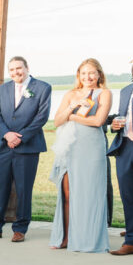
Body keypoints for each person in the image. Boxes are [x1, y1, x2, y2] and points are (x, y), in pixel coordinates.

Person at [0, 56, 52, 243]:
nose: (15, 72)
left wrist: (21, 136)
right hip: (4, 146)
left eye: (19, 68)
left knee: (23, 190)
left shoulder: (42, 88)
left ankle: (20, 228)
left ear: (27, 68)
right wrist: (7, 135)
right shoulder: (3, 89)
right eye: (11, 70)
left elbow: (41, 117)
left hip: (27, 147)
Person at [49, 59, 111, 252]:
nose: (88, 77)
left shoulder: (105, 94)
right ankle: (66, 238)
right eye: (83, 73)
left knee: (91, 193)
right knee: (68, 193)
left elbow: (98, 121)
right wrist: (72, 107)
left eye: (92, 73)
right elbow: (57, 121)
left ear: (99, 74)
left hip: (92, 148)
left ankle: (90, 239)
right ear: (78, 75)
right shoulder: (71, 94)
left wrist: (72, 117)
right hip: (71, 147)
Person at [108, 58, 133, 256]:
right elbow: (120, 116)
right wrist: (114, 125)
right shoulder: (126, 90)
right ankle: (132, 240)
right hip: (125, 147)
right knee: (128, 196)